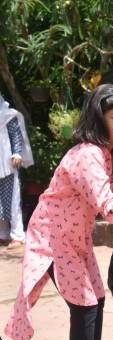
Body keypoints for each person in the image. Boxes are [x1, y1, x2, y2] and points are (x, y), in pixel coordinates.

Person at [4, 84, 113, 340]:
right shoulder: (86, 156)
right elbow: (108, 207)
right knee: (84, 306)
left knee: (96, 297)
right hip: (51, 240)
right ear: (98, 118)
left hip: (76, 239)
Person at [0, 95, 33, 250]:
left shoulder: (9, 115)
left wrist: (17, 153)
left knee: (12, 200)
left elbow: (16, 136)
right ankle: (3, 234)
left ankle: (18, 236)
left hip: (8, 164)